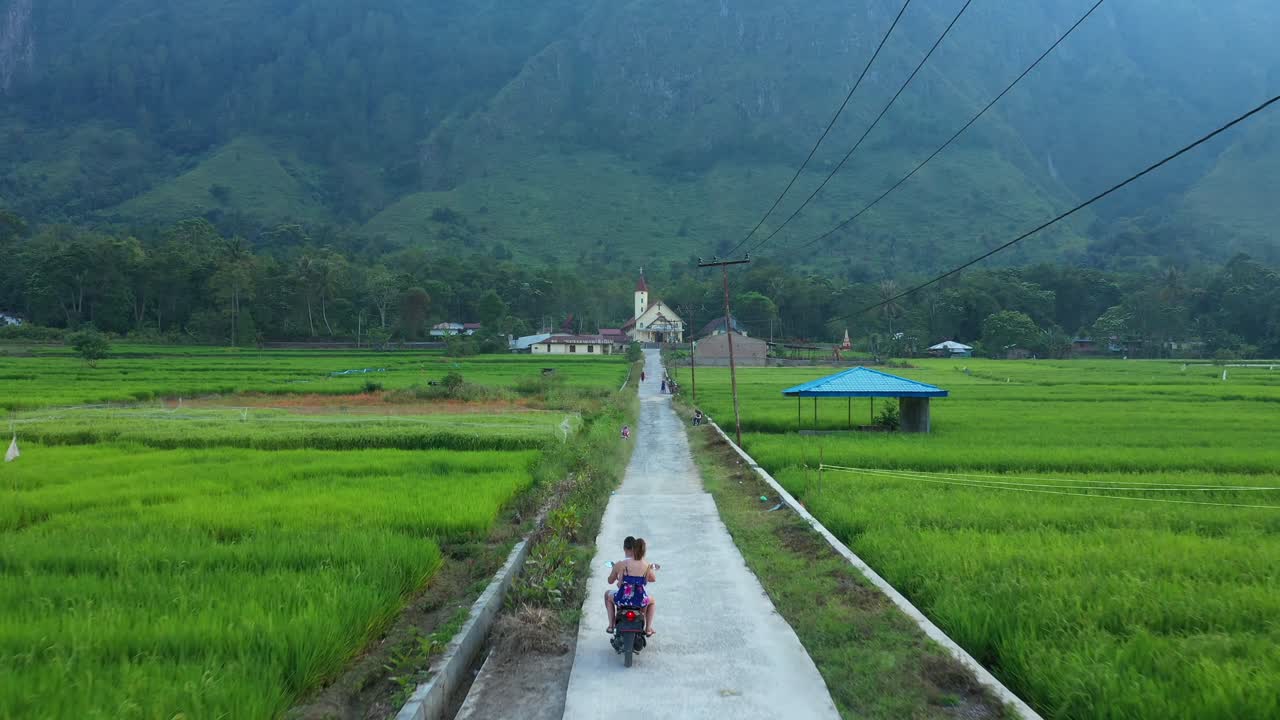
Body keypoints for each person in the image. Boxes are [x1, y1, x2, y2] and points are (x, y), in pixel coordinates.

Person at [604, 536, 658, 636]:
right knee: (652, 601)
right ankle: (648, 628)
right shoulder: (646, 565)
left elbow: (615, 582)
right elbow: (653, 579)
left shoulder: (622, 563)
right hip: (639, 599)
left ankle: (611, 626)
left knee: (608, 597)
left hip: (623, 598)